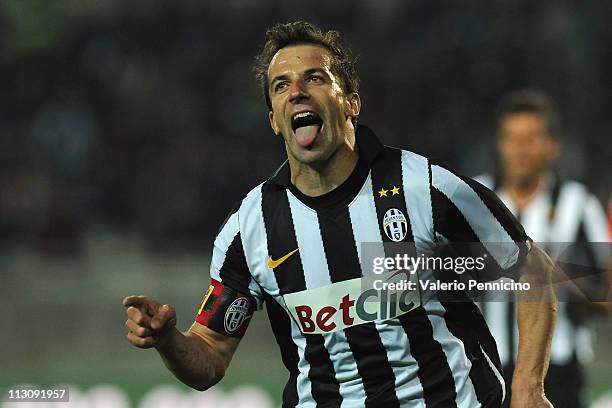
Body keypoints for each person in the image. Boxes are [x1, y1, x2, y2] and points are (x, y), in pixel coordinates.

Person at [123, 21, 557, 408]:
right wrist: (168, 342)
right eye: (281, 85)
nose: (297, 92)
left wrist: (528, 387)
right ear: (275, 121)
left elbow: (533, 269)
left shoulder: (424, 188)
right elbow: (210, 355)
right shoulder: (251, 226)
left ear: (350, 102)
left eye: (314, 78)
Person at [474, 89, 610, 408]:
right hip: (484, 366)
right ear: (500, 144)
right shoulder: (474, 198)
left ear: (552, 145)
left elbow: (604, 298)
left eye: (531, 138)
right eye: (511, 138)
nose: (520, 149)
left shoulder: (578, 204)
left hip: (558, 370)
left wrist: (547, 273)